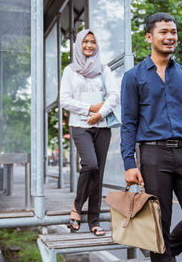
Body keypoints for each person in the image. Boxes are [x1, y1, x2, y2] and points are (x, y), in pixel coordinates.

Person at [120, 13, 182, 261]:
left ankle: (159, 251)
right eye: (163, 32)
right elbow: (128, 124)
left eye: (173, 32)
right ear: (149, 37)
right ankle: (159, 252)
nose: (170, 37)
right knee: (159, 223)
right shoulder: (133, 77)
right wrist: (129, 164)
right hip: (153, 154)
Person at [60, 29, 120, 236]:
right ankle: (77, 207)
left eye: (93, 42)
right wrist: (89, 109)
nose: (89, 45)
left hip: (102, 127)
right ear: (78, 44)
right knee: (90, 165)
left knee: (98, 172)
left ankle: (94, 220)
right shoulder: (70, 70)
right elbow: (65, 100)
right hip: (80, 125)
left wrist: (100, 113)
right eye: (85, 41)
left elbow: (114, 95)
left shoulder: (104, 69)